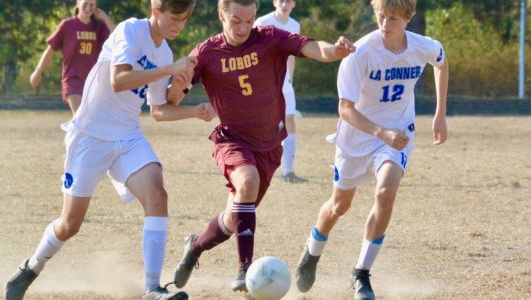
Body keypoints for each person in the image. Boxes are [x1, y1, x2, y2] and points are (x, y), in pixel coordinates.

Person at [5, 1, 213, 300]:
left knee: (157, 195)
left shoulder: (165, 52)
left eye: (185, 19)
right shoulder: (130, 30)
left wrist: (192, 108)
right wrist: (168, 70)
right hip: (90, 135)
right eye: (174, 17)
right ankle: (30, 267)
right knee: (69, 225)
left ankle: (152, 288)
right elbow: (119, 81)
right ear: (156, 9)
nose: (179, 25)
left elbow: (157, 110)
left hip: (127, 136)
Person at [170, 0, 355, 293]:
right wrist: (176, 84)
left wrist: (335, 51)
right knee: (247, 180)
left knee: (233, 219)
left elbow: (313, 48)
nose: (243, 28)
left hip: (268, 146)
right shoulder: (206, 53)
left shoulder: (270, 38)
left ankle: (194, 247)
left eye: (249, 20)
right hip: (231, 140)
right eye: (235, 21)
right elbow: (173, 96)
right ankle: (245, 269)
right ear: (221, 15)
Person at [294, 0, 449, 299]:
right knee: (339, 205)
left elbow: (442, 63)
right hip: (356, 138)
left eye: (393, 18)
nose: (385, 24)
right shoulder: (360, 53)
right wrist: (380, 132)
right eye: (381, 16)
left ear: (408, 18)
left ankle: (361, 273)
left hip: (398, 135)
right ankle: (312, 252)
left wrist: (440, 113)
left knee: (385, 191)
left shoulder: (422, 46)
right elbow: (345, 109)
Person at [30, 0, 114, 115]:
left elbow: (117, 39)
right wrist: (38, 71)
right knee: (80, 116)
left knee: (90, 120)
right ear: (78, 3)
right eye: (85, 4)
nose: (88, 7)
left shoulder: (99, 27)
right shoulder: (67, 25)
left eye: (92, 5)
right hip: (72, 79)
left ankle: (74, 133)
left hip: (93, 79)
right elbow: (50, 49)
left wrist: (105, 18)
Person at [254, 0, 306, 183]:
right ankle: (256, 168)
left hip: (284, 82)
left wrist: (289, 79)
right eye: (281, 0)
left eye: (289, 0)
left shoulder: (294, 25)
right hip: (264, 81)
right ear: (275, 2)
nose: (285, 3)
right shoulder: (262, 22)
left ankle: (288, 171)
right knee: (264, 123)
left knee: (289, 120)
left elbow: (291, 54)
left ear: (294, 4)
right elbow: (252, 53)